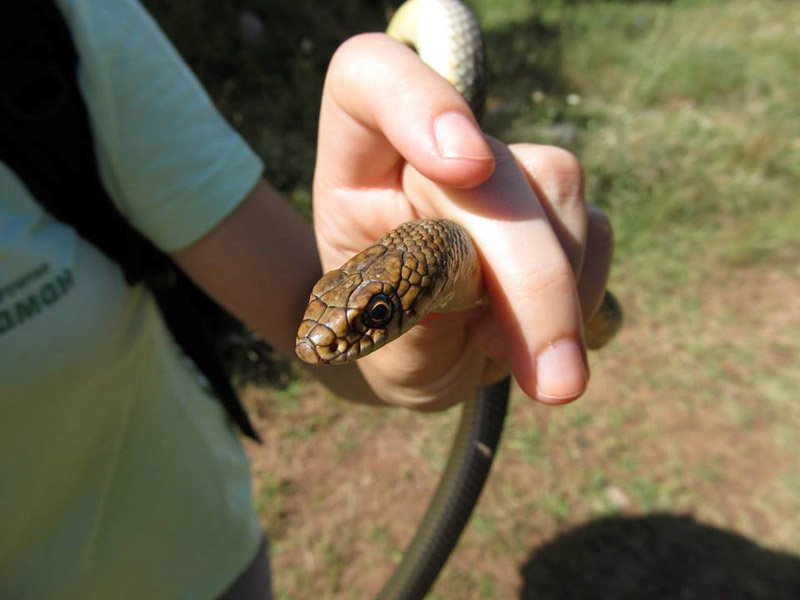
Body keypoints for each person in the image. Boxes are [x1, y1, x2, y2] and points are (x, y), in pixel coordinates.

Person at [0, 0, 614, 598]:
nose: (320, 340)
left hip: (205, 567)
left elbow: (318, 325)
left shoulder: (59, 24)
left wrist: (415, 369)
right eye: (371, 319)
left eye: (375, 317)